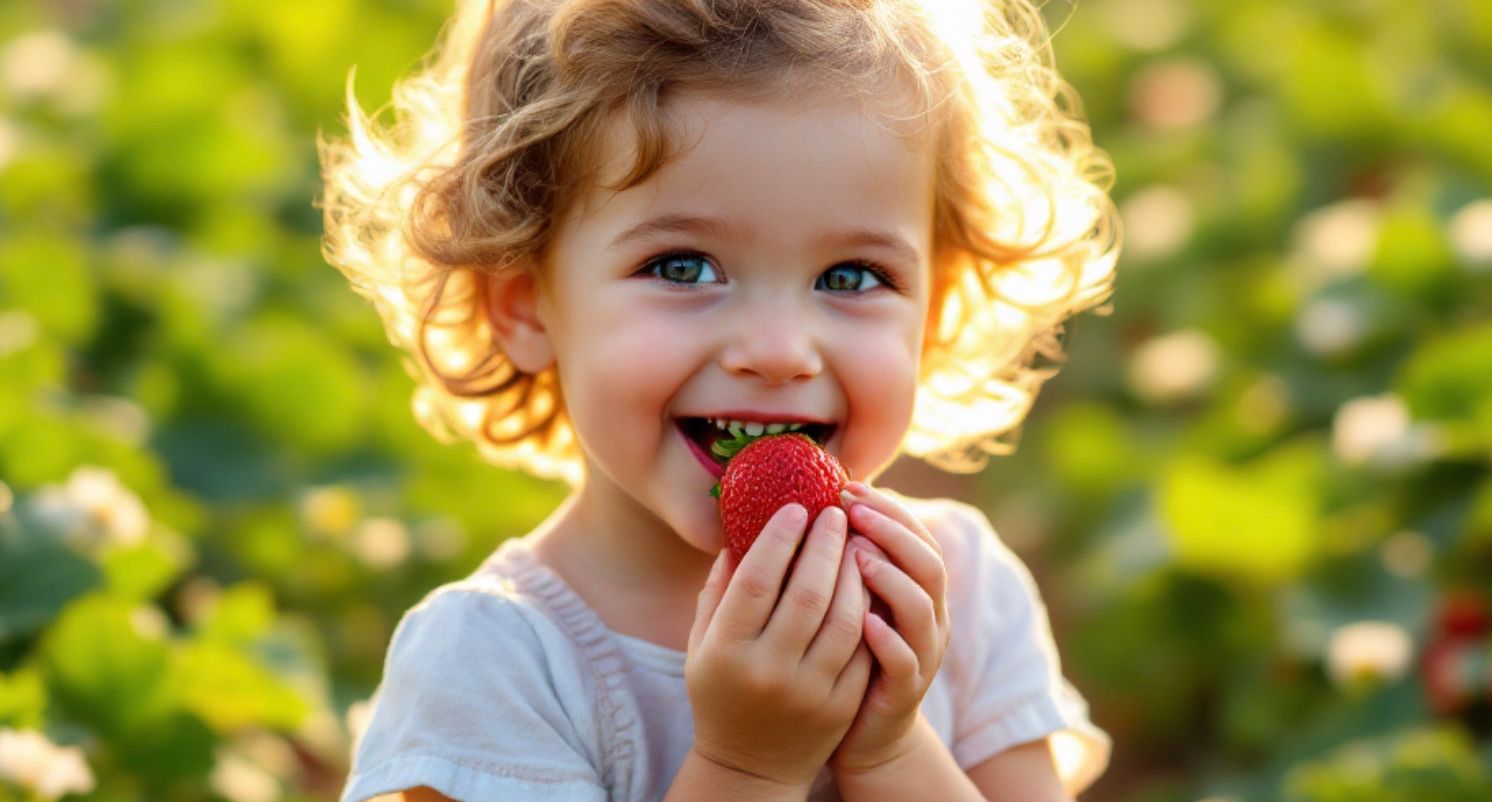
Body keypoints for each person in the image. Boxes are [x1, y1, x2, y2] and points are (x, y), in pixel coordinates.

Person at [320, 0, 1120, 799]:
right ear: (524, 304)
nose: (776, 351)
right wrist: (748, 766)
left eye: (851, 277)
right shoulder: (492, 663)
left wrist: (891, 749)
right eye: (683, 267)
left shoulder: (962, 592)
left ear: (933, 313)